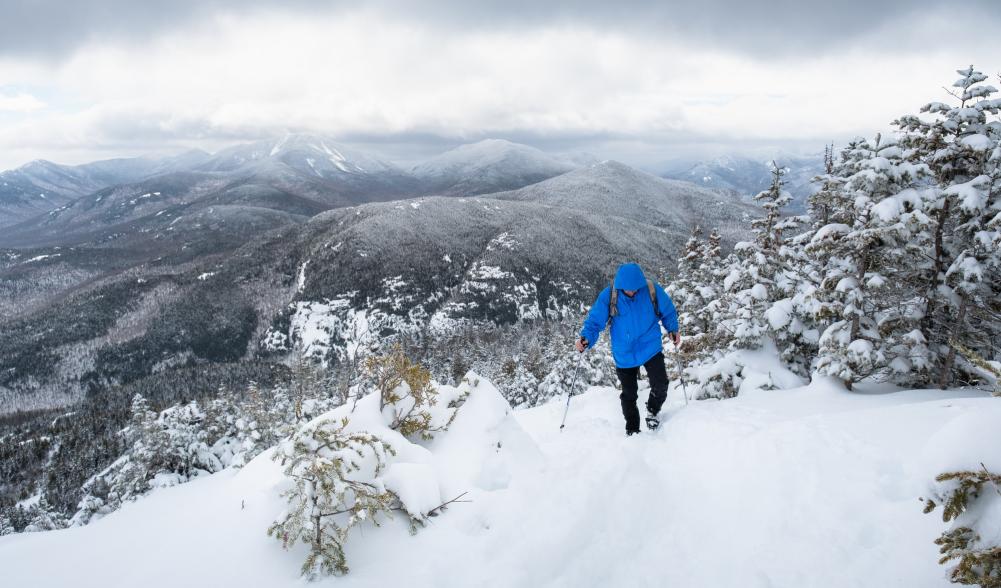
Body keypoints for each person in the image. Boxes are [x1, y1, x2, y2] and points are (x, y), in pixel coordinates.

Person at [576, 262, 680, 436]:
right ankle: (632, 429)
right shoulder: (610, 295)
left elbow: (668, 311)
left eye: (635, 289)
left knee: (661, 384)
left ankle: (653, 411)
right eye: (628, 289)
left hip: (650, 346)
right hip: (624, 352)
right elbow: (595, 321)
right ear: (620, 286)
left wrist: (672, 329)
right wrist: (586, 338)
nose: (632, 292)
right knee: (629, 395)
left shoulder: (651, 290)